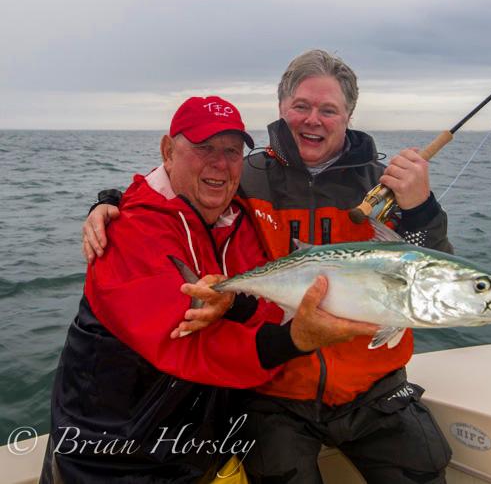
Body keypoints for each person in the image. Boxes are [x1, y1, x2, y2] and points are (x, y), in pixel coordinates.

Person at [84, 50, 453, 483]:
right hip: (275, 388)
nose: (312, 119)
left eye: (328, 110)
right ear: (281, 108)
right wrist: (110, 203)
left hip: (375, 387)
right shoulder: (245, 174)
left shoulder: (389, 187)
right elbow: (174, 183)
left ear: (348, 115)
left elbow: (433, 278)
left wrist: (422, 209)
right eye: (301, 106)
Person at [42, 95, 376, 483]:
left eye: (232, 151)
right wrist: (296, 339)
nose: (220, 163)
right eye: (204, 148)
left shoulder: (237, 222)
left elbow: (263, 308)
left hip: (202, 449)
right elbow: (187, 343)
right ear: (168, 151)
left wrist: (234, 305)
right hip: (109, 462)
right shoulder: (126, 234)